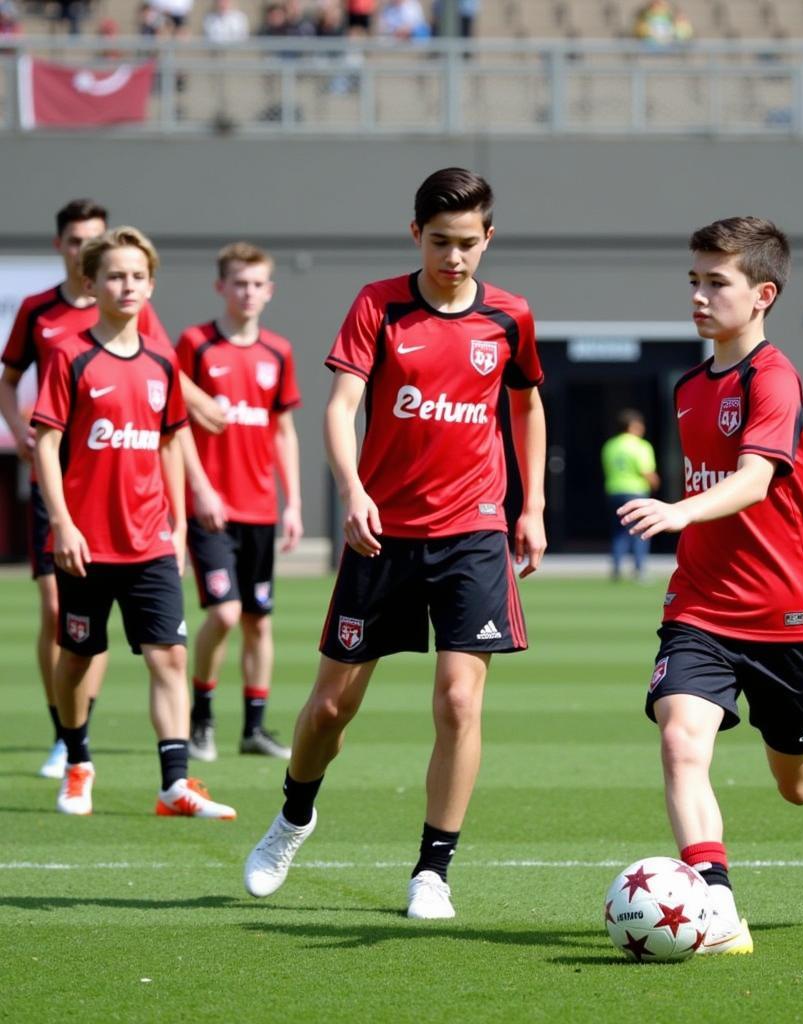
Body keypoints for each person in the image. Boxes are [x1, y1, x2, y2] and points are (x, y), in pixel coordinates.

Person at [244, 167, 546, 919]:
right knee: (326, 713)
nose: (454, 258)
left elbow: (527, 406)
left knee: (457, 702)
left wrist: (530, 504)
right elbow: (341, 405)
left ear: (489, 239)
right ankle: (293, 816)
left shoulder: (510, 318)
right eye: (440, 242)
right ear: (416, 234)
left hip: (473, 532)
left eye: (468, 244)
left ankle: (432, 872)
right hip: (383, 537)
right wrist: (353, 490)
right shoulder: (377, 306)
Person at [618, 217, 803, 956]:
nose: (701, 295)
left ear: (763, 294)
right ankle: (716, 908)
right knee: (682, 742)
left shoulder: (773, 377)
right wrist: (686, 523)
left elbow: (752, 479)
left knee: (801, 784)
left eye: (718, 282)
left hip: (785, 612)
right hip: (700, 607)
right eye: (694, 281)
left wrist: (679, 509)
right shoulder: (687, 386)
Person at [0, 198, 225, 781]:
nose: (127, 285)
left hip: (146, 529)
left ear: (150, 284)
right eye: (114, 274)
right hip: (77, 515)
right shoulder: (54, 335)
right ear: (83, 270)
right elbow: (26, 404)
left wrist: (179, 518)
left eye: (137, 276)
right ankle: (72, 747)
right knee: (70, 636)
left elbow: (171, 424)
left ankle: (173, 781)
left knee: (167, 654)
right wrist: (33, 454)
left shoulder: (154, 350)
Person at [177, 242, 302, 763]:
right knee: (225, 614)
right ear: (220, 287)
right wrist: (199, 487)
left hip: (260, 510)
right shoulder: (196, 345)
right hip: (211, 510)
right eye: (239, 283)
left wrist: (293, 503)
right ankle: (200, 717)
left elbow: (284, 431)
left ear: (269, 291)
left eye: (257, 284)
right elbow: (174, 419)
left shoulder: (278, 351)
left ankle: (253, 729)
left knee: (258, 620)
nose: (248, 292)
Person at [601, 409, 659, 581]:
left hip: (614, 491)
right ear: (632, 426)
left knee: (619, 531)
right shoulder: (640, 445)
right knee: (641, 531)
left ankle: (617, 568)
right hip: (635, 492)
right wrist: (656, 484)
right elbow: (646, 471)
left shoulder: (610, 445)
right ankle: (640, 569)